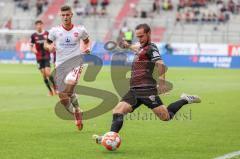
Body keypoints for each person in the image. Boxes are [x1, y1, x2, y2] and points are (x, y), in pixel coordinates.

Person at [93, 23, 201, 143]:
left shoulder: (151, 48)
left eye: (141, 36)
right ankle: (110, 137)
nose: (139, 39)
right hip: (134, 90)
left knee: (166, 117)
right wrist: (127, 45)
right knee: (118, 111)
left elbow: (160, 64)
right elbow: (136, 48)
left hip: (147, 89)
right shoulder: (141, 47)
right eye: (138, 36)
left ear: (149, 34)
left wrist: (162, 82)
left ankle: (186, 99)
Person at [44, 5, 91, 130]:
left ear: (71, 15)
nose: (65, 17)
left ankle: (76, 110)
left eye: (67, 15)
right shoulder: (54, 31)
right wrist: (50, 48)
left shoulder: (80, 30)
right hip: (60, 65)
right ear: (60, 16)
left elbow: (86, 41)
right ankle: (77, 111)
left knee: (69, 87)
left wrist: (86, 48)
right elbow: (47, 44)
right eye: (63, 15)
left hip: (75, 62)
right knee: (63, 97)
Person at [30, 20, 56, 96]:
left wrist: (50, 48)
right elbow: (31, 46)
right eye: (37, 25)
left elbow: (51, 43)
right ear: (36, 26)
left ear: (42, 25)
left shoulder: (47, 33)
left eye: (40, 24)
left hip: (47, 55)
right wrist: (33, 50)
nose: (39, 26)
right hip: (38, 57)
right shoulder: (33, 35)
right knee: (44, 75)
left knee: (48, 72)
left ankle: (55, 88)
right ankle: (50, 91)